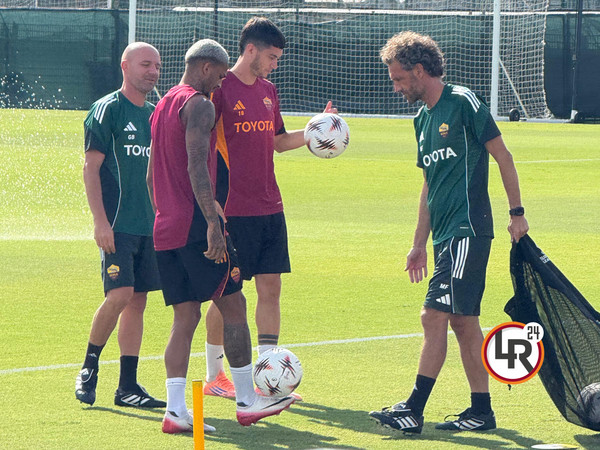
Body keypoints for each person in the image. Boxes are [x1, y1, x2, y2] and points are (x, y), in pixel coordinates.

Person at [369, 31, 529, 434]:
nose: (396, 87)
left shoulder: (462, 102)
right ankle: (481, 411)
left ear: (420, 70)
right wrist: (418, 243)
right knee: (463, 322)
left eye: (399, 78)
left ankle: (413, 408)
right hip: (444, 237)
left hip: (468, 229)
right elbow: (429, 184)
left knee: (432, 315)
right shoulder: (421, 119)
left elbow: (503, 156)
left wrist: (517, 213)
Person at [147, 38, 296, 434]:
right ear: (206, 68)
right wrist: (213, 222)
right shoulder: (200, 104)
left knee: (185, 317)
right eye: (219, 74)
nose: (221, 83)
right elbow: (197, 163)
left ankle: (175, 411)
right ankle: (247, 401)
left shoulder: (162, 105)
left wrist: (166, 212)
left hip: (166, 228)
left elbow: (150, 175)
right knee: (234, 306)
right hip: (197, 227)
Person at [202, 16, 336, 401]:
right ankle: (215, 375)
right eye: (272, 57)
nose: (275, 64)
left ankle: (268, 377)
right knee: (227, 293)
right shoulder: (220, 90)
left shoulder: (268, 91)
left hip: (269, 204)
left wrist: (317, 129)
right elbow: (202, 147)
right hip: (233, 208)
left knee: (271, 288)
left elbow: (278, 141)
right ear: (251, 50)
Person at [76, 42, 166, 409]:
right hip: (117, 224)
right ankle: (89, 368)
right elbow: (91, 168)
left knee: (137, 301)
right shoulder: (107, 109)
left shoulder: (156, 114)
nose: (153, 71)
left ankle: (127, 387)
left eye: (157, 66)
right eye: (146, 64)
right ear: (125, 66)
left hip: (149, 225)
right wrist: (100, 222)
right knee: (119, 295)